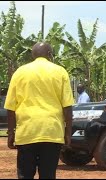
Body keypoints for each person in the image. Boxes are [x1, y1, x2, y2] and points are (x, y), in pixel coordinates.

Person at [4, 42, 74, 179]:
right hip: (52, 132)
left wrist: (11, 133)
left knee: (25, 175)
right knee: (48, 175)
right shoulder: (60, 72)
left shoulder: (20, 72)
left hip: (27, 133)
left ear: (33, 55)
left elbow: (11, 107)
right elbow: (67, 107)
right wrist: (68, 133)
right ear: (49, 54)